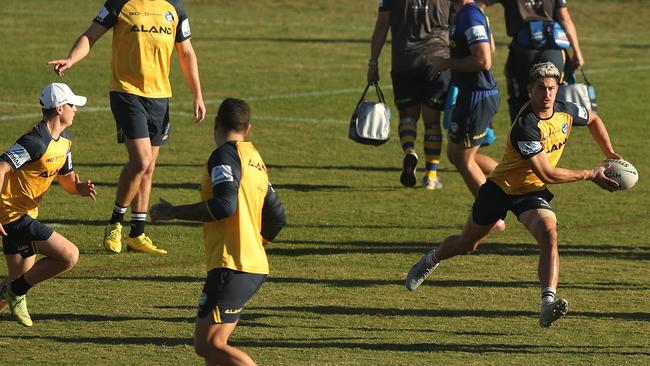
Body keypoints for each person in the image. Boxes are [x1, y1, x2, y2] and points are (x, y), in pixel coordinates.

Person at [405, 62, 621, 327]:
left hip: (530, 193)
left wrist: (609, 153)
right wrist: (590, 174)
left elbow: (594, 119)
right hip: (501, 189)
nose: (547, 94)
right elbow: (549, 175)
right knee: (466, 245)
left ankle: (547, 304)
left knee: (550, 236)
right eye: (541, 88)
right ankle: (431, 260)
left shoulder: (565, 110)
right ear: (530, 89)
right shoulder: (526, 125)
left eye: (552, 88)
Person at [48, 0, 207, 255]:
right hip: (126, 92)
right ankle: (114, 223)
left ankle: (137, 233)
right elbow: (91, 35)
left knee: (149, 166)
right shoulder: (120, 3)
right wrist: (71, 58)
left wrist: (197, 94)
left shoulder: (174, 8)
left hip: (159, 97)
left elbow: (186, 52)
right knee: (141, 160)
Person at [150, 98, 286, 365]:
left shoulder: (224, 155)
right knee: (213, 349)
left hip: (232, 265)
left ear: (215, 123)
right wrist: (253, 244)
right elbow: (277, 218)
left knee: (208, 344)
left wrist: (175, 211)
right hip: (250, 265)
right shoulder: (255, 160)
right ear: (247, 128)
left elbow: (225, 205)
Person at [0, 83, 96, 327]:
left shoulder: (64, 143)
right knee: (69, 255)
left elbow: (66, 180)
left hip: (26, 213)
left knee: (16, 281)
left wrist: (79, 188)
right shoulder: (35, 141)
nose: (76, 109)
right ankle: (16, 290)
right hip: (11, 216)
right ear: (60, 108)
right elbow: (1, 167)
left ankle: (14, 289)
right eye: (72, 105)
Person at [428, 0, 505, 229]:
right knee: (455, 154)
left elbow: (483, 59)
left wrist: (446, 63)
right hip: (471, 94)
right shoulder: (468, 14)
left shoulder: (470, 15)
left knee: (463, 158)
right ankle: (510, 177)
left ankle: (492, 215)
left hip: (477, 97)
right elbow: (489, 46)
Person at [368, 0, 454, 189]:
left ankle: (409, 149)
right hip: (437, 59)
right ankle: (431, 176)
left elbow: (382, 25)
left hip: (404, 61)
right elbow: (458, 18)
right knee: (432, 120)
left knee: (408, 116)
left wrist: (373, 62)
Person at [478, 0, 584, 122]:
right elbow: (564, 18)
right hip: (552, 49)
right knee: (552, 97)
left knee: (519, 99)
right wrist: (577, 51)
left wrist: (482, 24)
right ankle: (551, 136)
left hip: (523, 49)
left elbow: (480, 3)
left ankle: (521, 136)